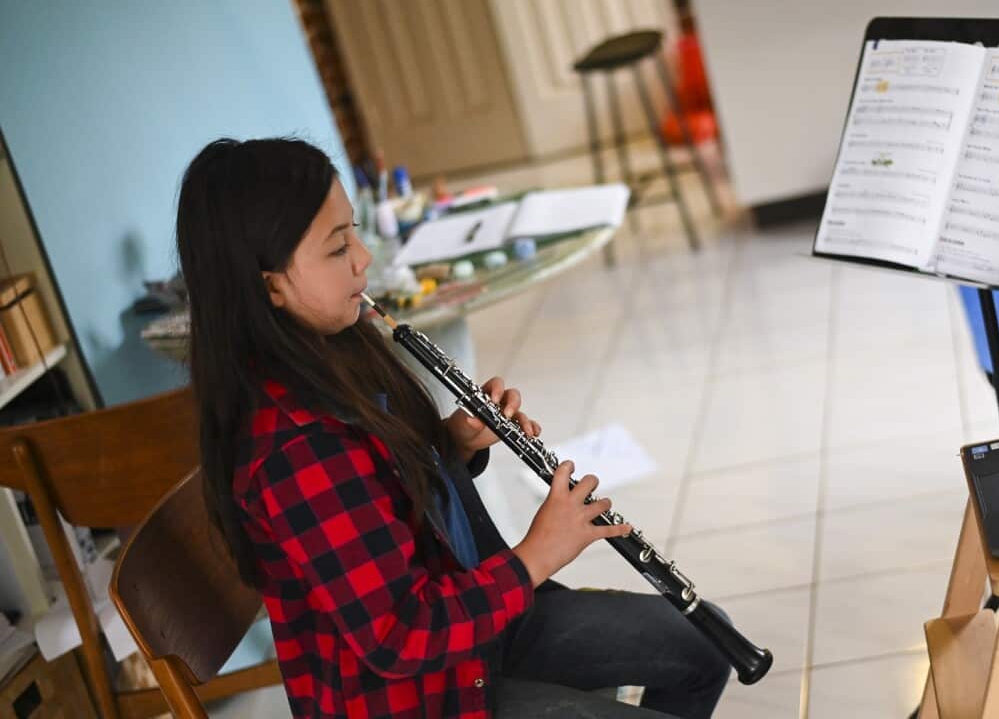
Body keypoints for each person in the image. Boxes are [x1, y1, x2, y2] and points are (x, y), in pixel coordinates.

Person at [175, 137, 730, 719]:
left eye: (354, 232)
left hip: (473, 632)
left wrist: (451, 446)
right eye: (338, 248)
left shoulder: (335, 348)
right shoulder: (296, 449)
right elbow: (400, 635)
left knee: (706, 645)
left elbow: (381, 488)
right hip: (424, 696)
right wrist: (536, 555)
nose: (363, 259)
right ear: (270, 285)